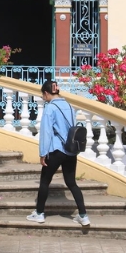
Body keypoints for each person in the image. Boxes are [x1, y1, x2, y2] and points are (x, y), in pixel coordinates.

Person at [26, 80, 90, 226]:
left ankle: (40, 213)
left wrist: (43, 153)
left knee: (44, 182)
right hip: (70, 150)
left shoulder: (50, 108)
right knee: (72, 183)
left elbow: (46, 132)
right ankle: (83, 215)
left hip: (56, 150)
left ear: (47, 93)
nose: (43, 98)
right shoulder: (69, 105)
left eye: (43, 95)